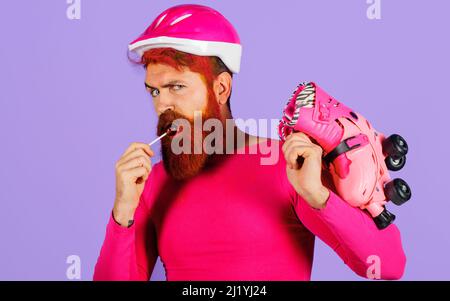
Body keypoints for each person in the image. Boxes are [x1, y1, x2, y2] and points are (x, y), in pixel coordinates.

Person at [93, 4, 406, 281]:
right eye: (155, 91)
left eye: (176, 87)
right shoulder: (150, 183)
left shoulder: (291, 167)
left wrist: (317, 194)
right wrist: (122, 212)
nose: (163, 105)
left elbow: (389, 265)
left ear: (221, 88)